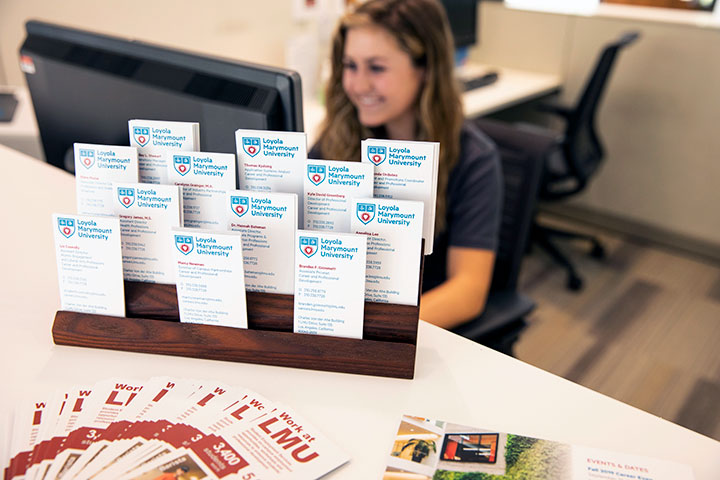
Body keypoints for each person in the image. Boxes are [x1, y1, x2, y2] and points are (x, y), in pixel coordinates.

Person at [309, 0, 502, 330]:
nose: (356, 85)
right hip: (340, 317)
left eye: (377, 68)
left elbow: (468, 291)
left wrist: (371, 328)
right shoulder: (340, 137)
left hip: (413, 330)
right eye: (350, 66)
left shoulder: (474, 160)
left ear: (425, 68)